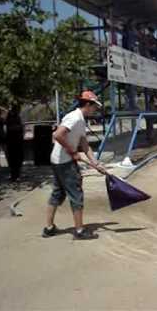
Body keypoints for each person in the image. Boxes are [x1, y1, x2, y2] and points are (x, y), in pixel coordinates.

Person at [42, 91, 106, 240]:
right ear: (88, 104)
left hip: (58, 160)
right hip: (64, 162)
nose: (95, 109)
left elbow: (84, 143)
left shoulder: (80, 119)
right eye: (95, 106)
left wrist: (94, 162)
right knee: (76, 194)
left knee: (57, 193)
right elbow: (57, 135)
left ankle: (49, 228)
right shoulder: (75, 118)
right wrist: (72, 151)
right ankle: (79, 231)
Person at [5, 105, 24, 181]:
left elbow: (20, 128)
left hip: (16, 141)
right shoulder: (9, 118)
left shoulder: (17, 118)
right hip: (12, 141)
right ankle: (14, 175)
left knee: (16, 159)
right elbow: (9, 128)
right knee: (13, 159)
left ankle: (16, 175)